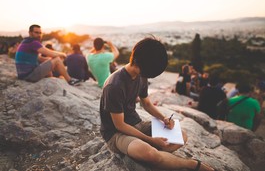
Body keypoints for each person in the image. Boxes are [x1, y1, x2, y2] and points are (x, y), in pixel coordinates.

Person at [100, 37, 214, 171]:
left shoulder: (141, 75)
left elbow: (147, 104)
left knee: (181, 135)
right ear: (138, 62)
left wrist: (163, 118)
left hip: (137, 124)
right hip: (116, 134)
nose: (150, 75)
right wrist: (150, 140)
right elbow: (120, 125)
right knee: (148, 152)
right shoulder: (115, 85)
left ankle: (153, 157)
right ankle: (191, 164)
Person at [15, 24, 80, 85]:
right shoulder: (33, 43)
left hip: (23, 75)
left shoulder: (26, 42)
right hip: (29, 75)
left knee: (49, 62)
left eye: (40, 33)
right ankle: (70, 80)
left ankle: (51, 81)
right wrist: (63, 54)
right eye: (36, 32)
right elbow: (50, 53)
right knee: (57, 60)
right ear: (30, 33)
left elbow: (39, 58)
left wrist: (50, 61)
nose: (39, 35)